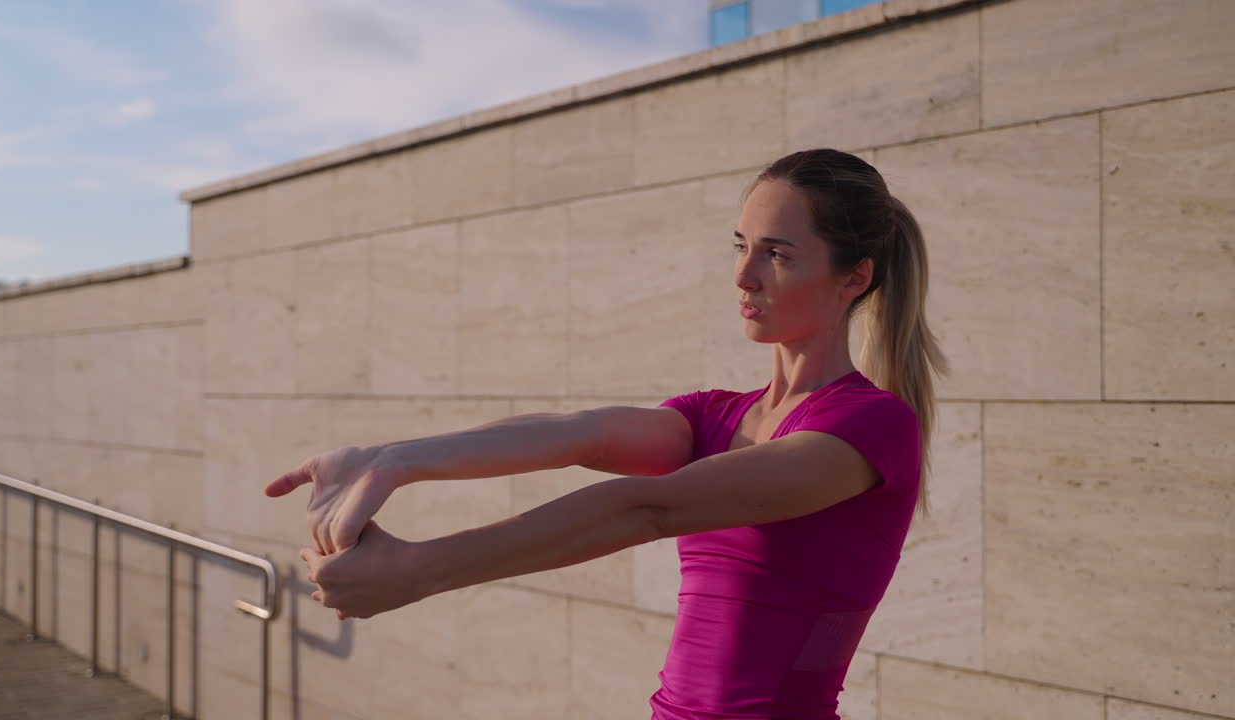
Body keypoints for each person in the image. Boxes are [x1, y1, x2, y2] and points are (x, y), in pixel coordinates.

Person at [265, 148, 947, 720]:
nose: (743, 276)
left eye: (776, 254)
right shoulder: (713, 415)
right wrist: (390, 460)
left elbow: (650, 507)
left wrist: (419, 571)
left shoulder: (870, 426)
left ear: (853, 277)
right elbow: (577, 434)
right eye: (741, 247)